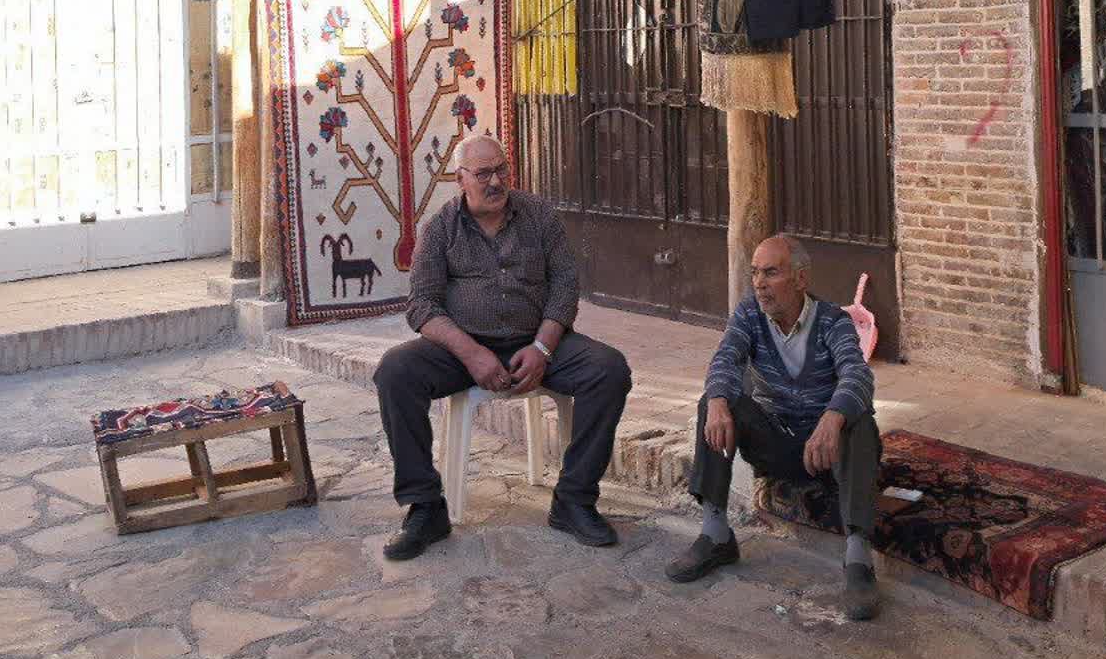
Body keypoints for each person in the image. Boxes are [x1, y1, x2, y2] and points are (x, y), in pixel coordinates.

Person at [372, 133, 633, 561]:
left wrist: (543, 348)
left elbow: (565, 284)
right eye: (483, 174)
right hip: (464, 349)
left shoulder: (539, 215)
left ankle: (574, 500)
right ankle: (425, 507)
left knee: (609, 369)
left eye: (501, 170)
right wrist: (471, 353)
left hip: (537, 341)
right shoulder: (440, 228)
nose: (495, 181)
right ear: (460, 179)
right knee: (395, 371)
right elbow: (421, 304)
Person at [665, 234, 882, 621]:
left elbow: (857, 374)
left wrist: (833, 417)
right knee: (716, 400)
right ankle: (716, 533)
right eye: (755, 273)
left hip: (826, 455)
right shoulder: (750, 314)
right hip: (777, 446)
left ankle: (858, 559)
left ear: (801, 278)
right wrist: (717, 401)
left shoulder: (833, 321)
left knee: (859, 419)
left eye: (771, 273)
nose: (759, 283)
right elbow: (726, 357)